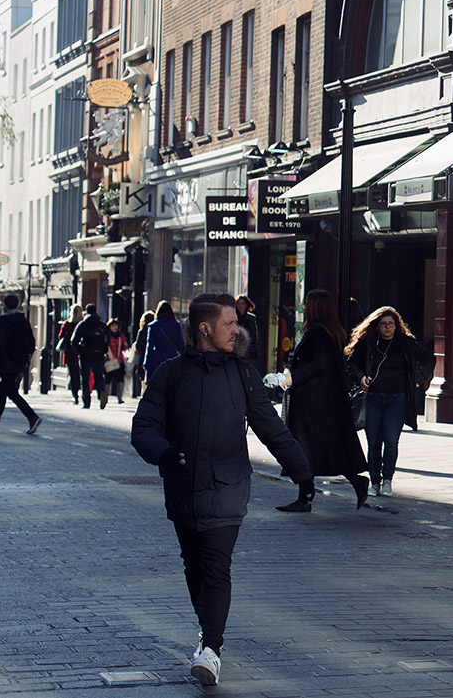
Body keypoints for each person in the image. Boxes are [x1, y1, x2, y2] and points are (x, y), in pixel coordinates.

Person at [130, 292, 313, 687]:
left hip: (228, 485)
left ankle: (211, 649)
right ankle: (207, 631)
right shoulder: (170, 374)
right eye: (230, 323)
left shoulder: (243, 374)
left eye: (237, 322)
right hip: (182, 486)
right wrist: (162, 453)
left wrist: (302, 469)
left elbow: (269, 426)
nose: (238, 329)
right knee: (194, 566)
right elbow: (143, 427)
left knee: (216, 568)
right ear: (205, 329)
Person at [275, 289, 369, 512]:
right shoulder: (327, 332)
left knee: (306, 450)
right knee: (318, 451)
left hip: (313, 402)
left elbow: (320, 364)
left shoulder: (318, 333)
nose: (304, 308)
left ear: (317, 308)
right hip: (319, 401)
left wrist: (291, 378)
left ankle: (306, 497)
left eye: (307, 304)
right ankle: (309, 496)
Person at [346, 306, 432, 497]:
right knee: (373, 441)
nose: (387, 327)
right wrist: (361, 377)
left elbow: (429, 358)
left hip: (397, 399)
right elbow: (351, 364)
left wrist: (418, 380)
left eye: (391, 324)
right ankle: (374, 481)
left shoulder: (404, 343)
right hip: (373, 398)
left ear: (396, 325)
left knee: (391, 441)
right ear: (377, 326)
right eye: (383, 324)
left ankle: (387, 479)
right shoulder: (367, 343)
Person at [0, 294, 42, 435]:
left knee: (11, 393)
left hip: (5, 362)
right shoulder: (23, 321)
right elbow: (32, 343)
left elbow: (0, 344)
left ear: (5, 305)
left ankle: (32, 416)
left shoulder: (3, 321)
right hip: (19, 362)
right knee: (3, 391)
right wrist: (25, 358)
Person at [71, 304, 110, 409]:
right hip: (99, 354)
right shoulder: (102, 325)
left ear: (86, 312)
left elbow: (74, 340)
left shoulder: (83, 324)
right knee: (99, 376)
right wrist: (103, 350)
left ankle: (86, 401)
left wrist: (79, 351)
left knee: (85, 378)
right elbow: (108, 339)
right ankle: (102, 392)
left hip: (86, 354)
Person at [143, 301, 186, 383]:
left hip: (157, 358)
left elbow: (149, 346)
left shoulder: (153, 326)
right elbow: (180, 345)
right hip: (172, 357)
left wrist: (146, 363)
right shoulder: (176, 325)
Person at [100, 318, 129, 409]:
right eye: (112, 325)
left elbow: (125, 347)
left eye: (116, 325)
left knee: (120, 379)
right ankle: (105, 398)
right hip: (109, 360)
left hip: (119, 360)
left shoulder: (121, 336)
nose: (114, 327)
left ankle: (120, 397)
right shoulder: (106, 336)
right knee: (107, 379)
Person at [234, 295, 263, 367]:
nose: (240, 306)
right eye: (239, 303)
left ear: (246, 305)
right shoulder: (234, 318)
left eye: (242, 303)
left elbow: (254, 336)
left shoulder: (251, 318)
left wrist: (253, 350)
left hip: (247, 349)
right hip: (234, 348)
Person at [130, 313, 152, 398]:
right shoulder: (155, 328)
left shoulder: (142, 330)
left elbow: (138, 346)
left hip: (143, 357)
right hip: (154, 357)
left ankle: (145, 394)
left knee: (143, 377)